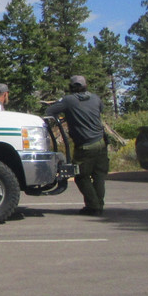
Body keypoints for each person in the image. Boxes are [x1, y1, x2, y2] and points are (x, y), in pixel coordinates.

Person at [45, 75, 109, 215]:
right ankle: (99, 205)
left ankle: (94, 206)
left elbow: (49, 112)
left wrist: (65, 114)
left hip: (85, 145)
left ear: (71, 87)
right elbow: (100, 109)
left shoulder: (69, 100)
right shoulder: (95, 98)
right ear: (85, 85)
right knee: (98, 175)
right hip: (101, 142)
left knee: (80, 176)